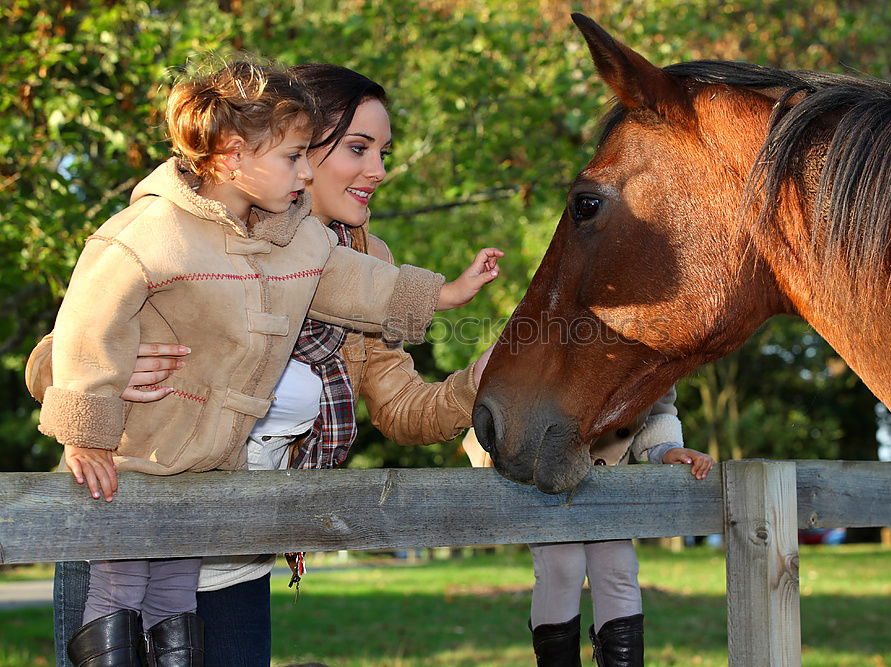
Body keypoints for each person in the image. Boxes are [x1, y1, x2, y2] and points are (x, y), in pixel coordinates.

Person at [29, 64, 499, 667]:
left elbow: (402, 406)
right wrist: (108, 390)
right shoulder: (174, 234)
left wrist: (473, 382)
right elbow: (73, 340)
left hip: (233, 551)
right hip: (123, 501)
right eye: (357, 148)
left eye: (383, 151)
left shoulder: (352, 262)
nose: (377, 170)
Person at [462, 386, 714, 667]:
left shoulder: (652, 347)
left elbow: (656, 404)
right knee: (562, 564)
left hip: (605, 473)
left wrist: (667, 448)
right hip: (540, 462)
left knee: (618, 567)